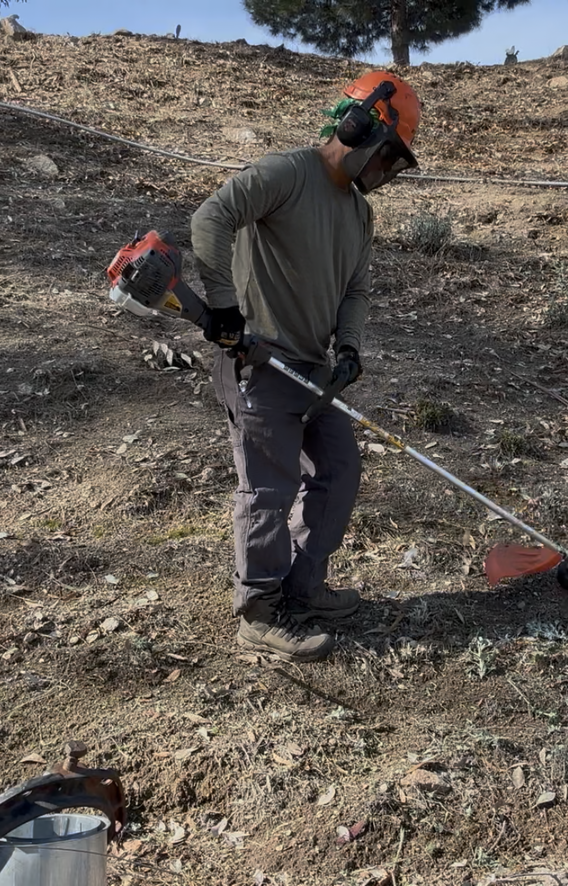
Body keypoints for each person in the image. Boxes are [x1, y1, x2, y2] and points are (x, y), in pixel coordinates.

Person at [188, 71, 422, 663]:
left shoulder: (359, 215)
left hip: (315, 368)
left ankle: (302, 586)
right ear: (358, 124)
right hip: (259, 361)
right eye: (388, 151)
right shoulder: (285, 173)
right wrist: (222, 304)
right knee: (269, 486)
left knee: (339, 469)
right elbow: (210, 219)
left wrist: (349, 348)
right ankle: (259, 612)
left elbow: (357, 291)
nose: (386, 169)